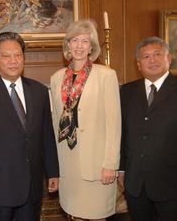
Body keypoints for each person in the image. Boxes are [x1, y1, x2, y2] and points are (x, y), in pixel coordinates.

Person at [0, 31, 59, 221]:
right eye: (6, 56)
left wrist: (53, 172)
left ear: (23, 58)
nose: (13, 61)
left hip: (31, 188)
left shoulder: (39, 91)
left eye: (18, 55)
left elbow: (47, 135)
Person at [119, 36, 177, 221]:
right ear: (138, 64)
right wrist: (122, 170)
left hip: (176, 187)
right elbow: (123, 134)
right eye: (146, 57)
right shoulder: (127, 92)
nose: (152, 60)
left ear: (169, 58)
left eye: (157, 54)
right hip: (136, 187)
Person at [50, 19, 121, 220]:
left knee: (96, 215)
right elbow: (56, 121)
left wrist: (111, 164)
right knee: (73, 215)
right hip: (68, 164)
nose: (79, 46)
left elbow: (114, 124)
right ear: (68, 44)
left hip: (97, 165)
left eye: (85, 41)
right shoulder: (56, 78)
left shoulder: (106, 75)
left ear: (92, 47)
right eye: (75, 40)